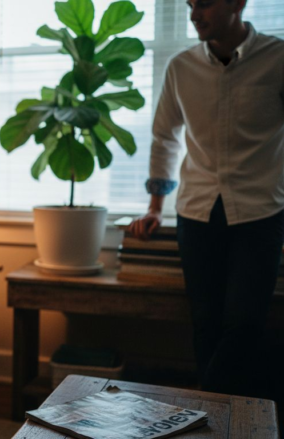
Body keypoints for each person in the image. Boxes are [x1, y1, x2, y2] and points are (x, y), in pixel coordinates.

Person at [129, 0, 284, 399]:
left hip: (260, 212)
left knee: (245, 322)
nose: (195, 13)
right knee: (205, 322)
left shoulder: (278, 58)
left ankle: (207, 405)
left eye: (206, 3)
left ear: (238, 3)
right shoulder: (181, 67)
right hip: (196, 213)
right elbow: (164, 136)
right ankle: (217, 419)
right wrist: (154, 208)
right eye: (190, 4)